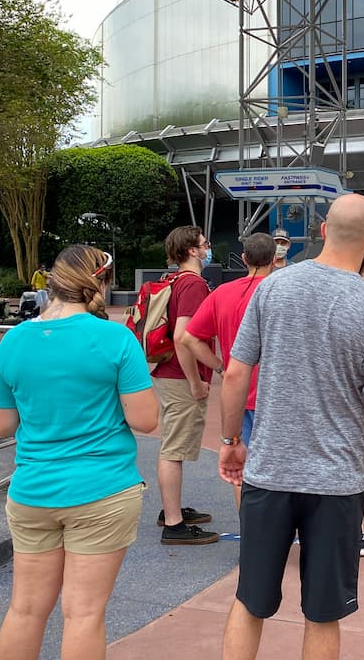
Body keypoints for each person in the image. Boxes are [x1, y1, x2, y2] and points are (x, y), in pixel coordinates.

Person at [217, 193, 364, 660]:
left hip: (270, 472)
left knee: (250, 599)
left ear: (323, 231)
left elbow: (236, 372)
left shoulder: (273, 288)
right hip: (336, 482)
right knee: (323, 612)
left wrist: (231, 440)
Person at [0, 245, 158, 660]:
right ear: (101, 281)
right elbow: (145, 419)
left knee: (25, 609)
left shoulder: (12, 342)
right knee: (83, 613)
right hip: (102, 489)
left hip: (32, 491)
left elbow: (2, 426)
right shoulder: (116, 338)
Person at [180, 233, 276, 508]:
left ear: (244, 258)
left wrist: (220, 366)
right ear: (275, 258)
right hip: (279, 393)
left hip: (239, 391)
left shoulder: (222, 293)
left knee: (240, 465)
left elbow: (189, 338)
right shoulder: (282, 292)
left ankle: (250, 530)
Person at [153, 225, 218, 545]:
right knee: (173, 449)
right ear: (192, 250)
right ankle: (173, 523)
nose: (208, 249)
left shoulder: (173, 280)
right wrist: (196, 381)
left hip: (168, 372)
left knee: (172, 444)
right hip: (181, 376)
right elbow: (183, 336)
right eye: (204, 244)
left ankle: (172, 510)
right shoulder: (193, 285)